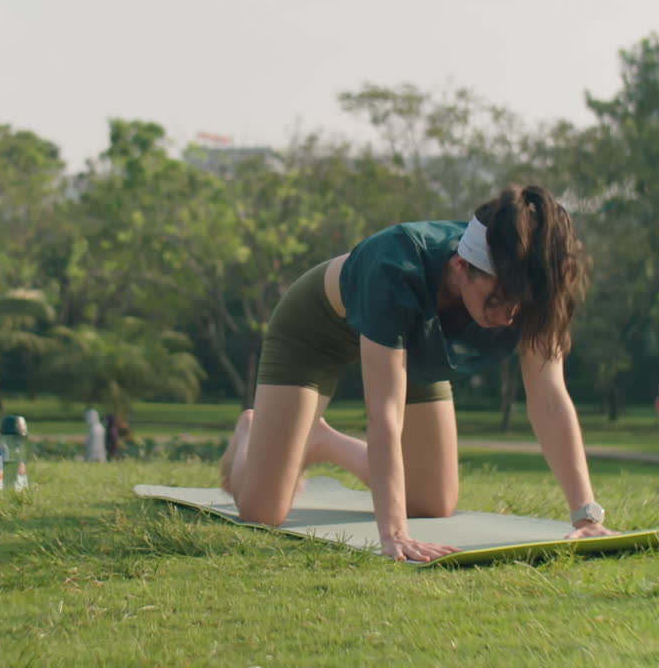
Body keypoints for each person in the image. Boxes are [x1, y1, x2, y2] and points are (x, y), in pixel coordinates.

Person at [219, 185, 616, 562]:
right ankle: (252, 432)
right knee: (263, 509)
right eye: (497, 299)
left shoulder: (529, 286)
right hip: (318, 330)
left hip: (417, 344)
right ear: (462, 267)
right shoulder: (395, 266)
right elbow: (384, 414)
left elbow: (549, 399)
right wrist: (394, 534)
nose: (509, 316)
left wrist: (586, 515)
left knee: (432, 502)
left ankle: (321, 441)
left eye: (520, 304)